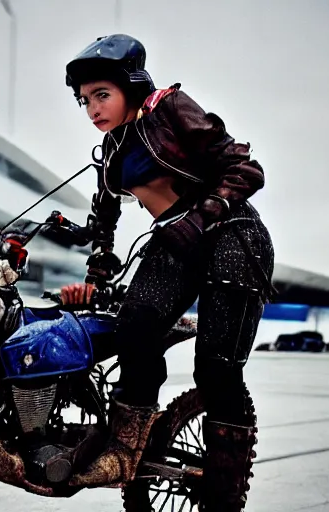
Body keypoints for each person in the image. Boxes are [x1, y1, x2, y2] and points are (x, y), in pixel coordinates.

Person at [59, 34, 275, 511]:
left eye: (101, 95)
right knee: (134, 326)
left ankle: (222, 495)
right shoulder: (112, 151)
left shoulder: (169, 107)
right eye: (84, 101)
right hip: (175, 239)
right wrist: (97, 263)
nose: (92, 108)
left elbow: (246, 169)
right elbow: (105, 218)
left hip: (232, 235)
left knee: (216, 369)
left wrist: (202, 217)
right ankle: (124, 450)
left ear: (130, 86)